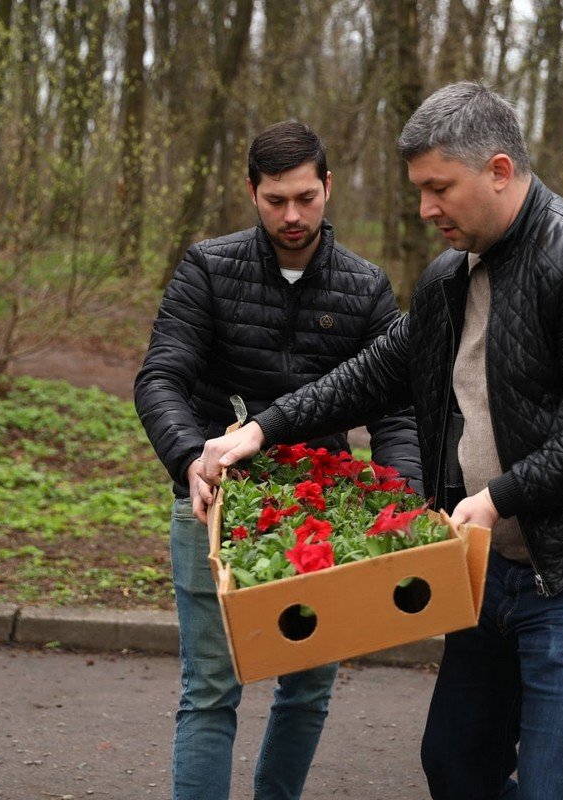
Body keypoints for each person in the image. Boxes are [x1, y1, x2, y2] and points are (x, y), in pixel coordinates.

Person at [197, 82, 563, 800]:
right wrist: (262, 428)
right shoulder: (449, 278)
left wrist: (497, 499)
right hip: (499, 566)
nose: (426, 208)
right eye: (420, 191)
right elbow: (376, 374)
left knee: (558, 786)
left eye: (439, 188)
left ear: (498, 170)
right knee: (456, 764)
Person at [133, 120, 421, 800]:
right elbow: (160, 378)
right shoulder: (207, 268)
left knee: (309, 689)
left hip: (325, 514)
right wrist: (186, 458)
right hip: (213, 500)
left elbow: (396, 412)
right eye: (274, 201)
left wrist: (398, 495)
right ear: (252, 194)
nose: (292, 216)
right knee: (209, 690)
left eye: (305, 198)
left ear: (327, 187)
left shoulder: (367, 287)